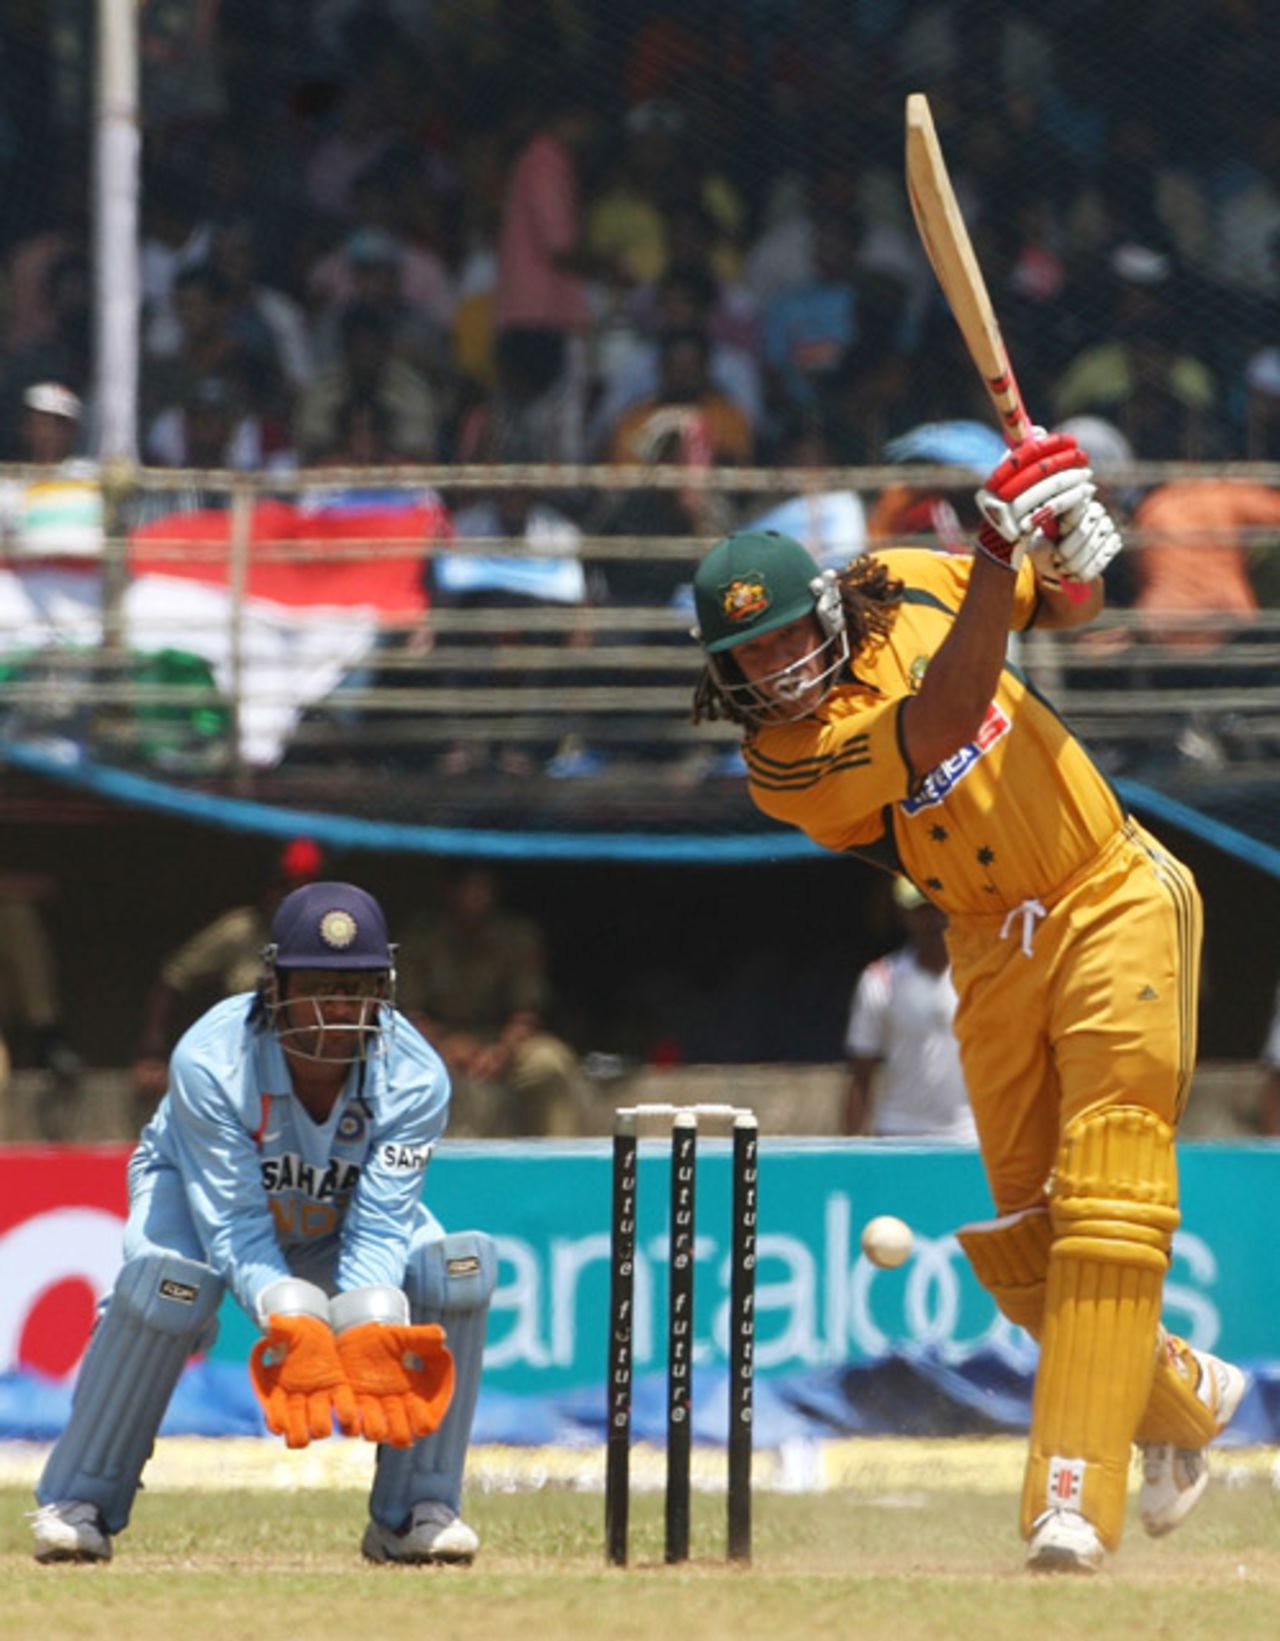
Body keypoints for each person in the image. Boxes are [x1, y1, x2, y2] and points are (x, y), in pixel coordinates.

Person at [687, 428, 1247, 1574]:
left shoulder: (911, 576)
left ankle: (1068, 1505)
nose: (775, 665)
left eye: (787, 631)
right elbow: (940, 722)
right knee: (1031, 1253)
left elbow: (1067, 605)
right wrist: (998, 549)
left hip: (1107, 891)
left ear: (828, 604)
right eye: (747, 656)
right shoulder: (780, 763)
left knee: (1107, 1198)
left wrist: (1072, 550)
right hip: (985, 948)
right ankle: (1177, 1397)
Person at [31, 880, 496, 1566]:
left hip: (337, 1219)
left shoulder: (416, 1076)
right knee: (167, 1286)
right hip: (193, 1200)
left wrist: (367, 1326)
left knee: (452, 1273)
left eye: (358, 985)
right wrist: (294, 1317)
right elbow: (235, 1225)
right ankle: (80, 1501)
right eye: (318, 983)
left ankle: (414, 1511)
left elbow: (379, 1220)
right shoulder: (211, 1061)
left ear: (385, 987)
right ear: (274, 985)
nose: (340, 1006)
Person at [132, 838, 327, 1115]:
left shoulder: (330, 935)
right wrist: (152, 1051)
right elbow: (173, 978)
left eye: (302, 891)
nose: (290, 900)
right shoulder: (242, 930)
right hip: (244, 1068)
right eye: (285, 888)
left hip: (314, 1072)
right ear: (270, 889)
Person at [395, 866, 586, 1137]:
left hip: (502, 1042)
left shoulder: (516, 937)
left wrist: (501, 1051)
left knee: (550, 1062)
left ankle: (560, 1159)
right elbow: (409, 1014)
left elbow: (527, 1011)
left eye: (483, 889)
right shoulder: (421, 939)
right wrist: (447, 1045)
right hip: (436, 1044)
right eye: (467, 889)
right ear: (449, 893)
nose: (475, 898)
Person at [843, 877, 976, 1143]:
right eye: (921, 909)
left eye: (939, 907)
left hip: (971, 1136)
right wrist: (849, 1155)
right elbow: (861, 1074)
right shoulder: (880, 980)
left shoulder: (980, 977)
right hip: (899, 1133)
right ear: (903, 913)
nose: (933, 919)